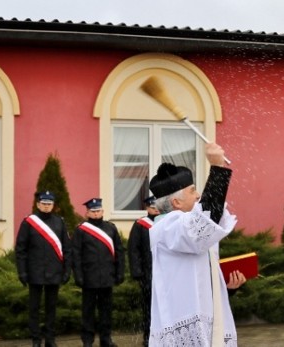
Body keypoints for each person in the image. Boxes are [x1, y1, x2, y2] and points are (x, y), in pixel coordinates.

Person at [148, 143, 245, 346]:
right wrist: (217, 169)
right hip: (185, 327)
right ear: (176, 203)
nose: (198, 195)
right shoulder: (167, 228)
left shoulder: (189, 225)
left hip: (209, 320)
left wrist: (226, 288)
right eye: (192, 191)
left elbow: (199, 271)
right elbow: (206, 219)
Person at [15, 191, 72, 347]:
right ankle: (35, 339)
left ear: (53, 205)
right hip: (35, 272)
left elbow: (67, 249)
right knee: (34, 308)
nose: (47, 207)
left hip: (54, 272)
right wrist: (22, 271)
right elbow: (21, 249)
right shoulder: (29, 222)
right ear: (38, 204)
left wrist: (67, 271)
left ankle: (50, 339)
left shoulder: (59, 222)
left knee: (51, 308)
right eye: (44, 204)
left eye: (49, 204)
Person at [72, 198, 125, 347]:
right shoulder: (81, 230)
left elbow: (119, 252)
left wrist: (120, 272)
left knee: (106, 312)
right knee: (88, 312)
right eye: (93, 211)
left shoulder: (111, 228)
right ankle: (87, 341)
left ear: (102, 211)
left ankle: (105, 339)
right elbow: (76, 255)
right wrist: (78, 275)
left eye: (98, 211)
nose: (96, 214)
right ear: (87, 212)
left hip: (107, 277)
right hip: (89, 278)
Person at [127, 196, 160, 347]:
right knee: (148, 307)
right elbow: (133, 249)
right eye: (152, 207)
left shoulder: (166, 222)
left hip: (166, 273)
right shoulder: (140, 225)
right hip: (148, 273)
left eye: (157, 206)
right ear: (147, 208)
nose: (155, 209)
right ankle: (148, 337)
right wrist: (137, 271)